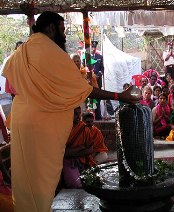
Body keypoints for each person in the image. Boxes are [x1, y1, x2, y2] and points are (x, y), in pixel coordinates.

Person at [2, 11, 139, 212]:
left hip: (22, 120)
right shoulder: (52, 53)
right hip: (42, 124)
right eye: (63, 29)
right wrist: (120, 96)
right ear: (50, 28)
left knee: (25, 174)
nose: (65, 35)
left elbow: (13, 82)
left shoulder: (21, 52)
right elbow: (84, 90)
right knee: (42, 176)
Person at [63, 107, 108, 188]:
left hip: (85, 159)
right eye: (75, 114)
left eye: (79, 113)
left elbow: (90, 150)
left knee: (95, 181)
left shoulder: (84, 128)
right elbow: (63, 153)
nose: (77, 116)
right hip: (68, 161)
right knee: (76, 185)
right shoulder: (63, 129)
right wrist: (80, 148)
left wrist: (73, 152)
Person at [91, 40, 104, 120]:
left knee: (98, 99)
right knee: (90, 100)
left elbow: (102, 69)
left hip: (98, 81)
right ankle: (90, 117)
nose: (93, 48)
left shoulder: (100, 57)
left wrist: (98, 75)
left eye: (94, 47)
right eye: (92, 47)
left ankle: (98, 117)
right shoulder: (86, 57)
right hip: (90, 81)